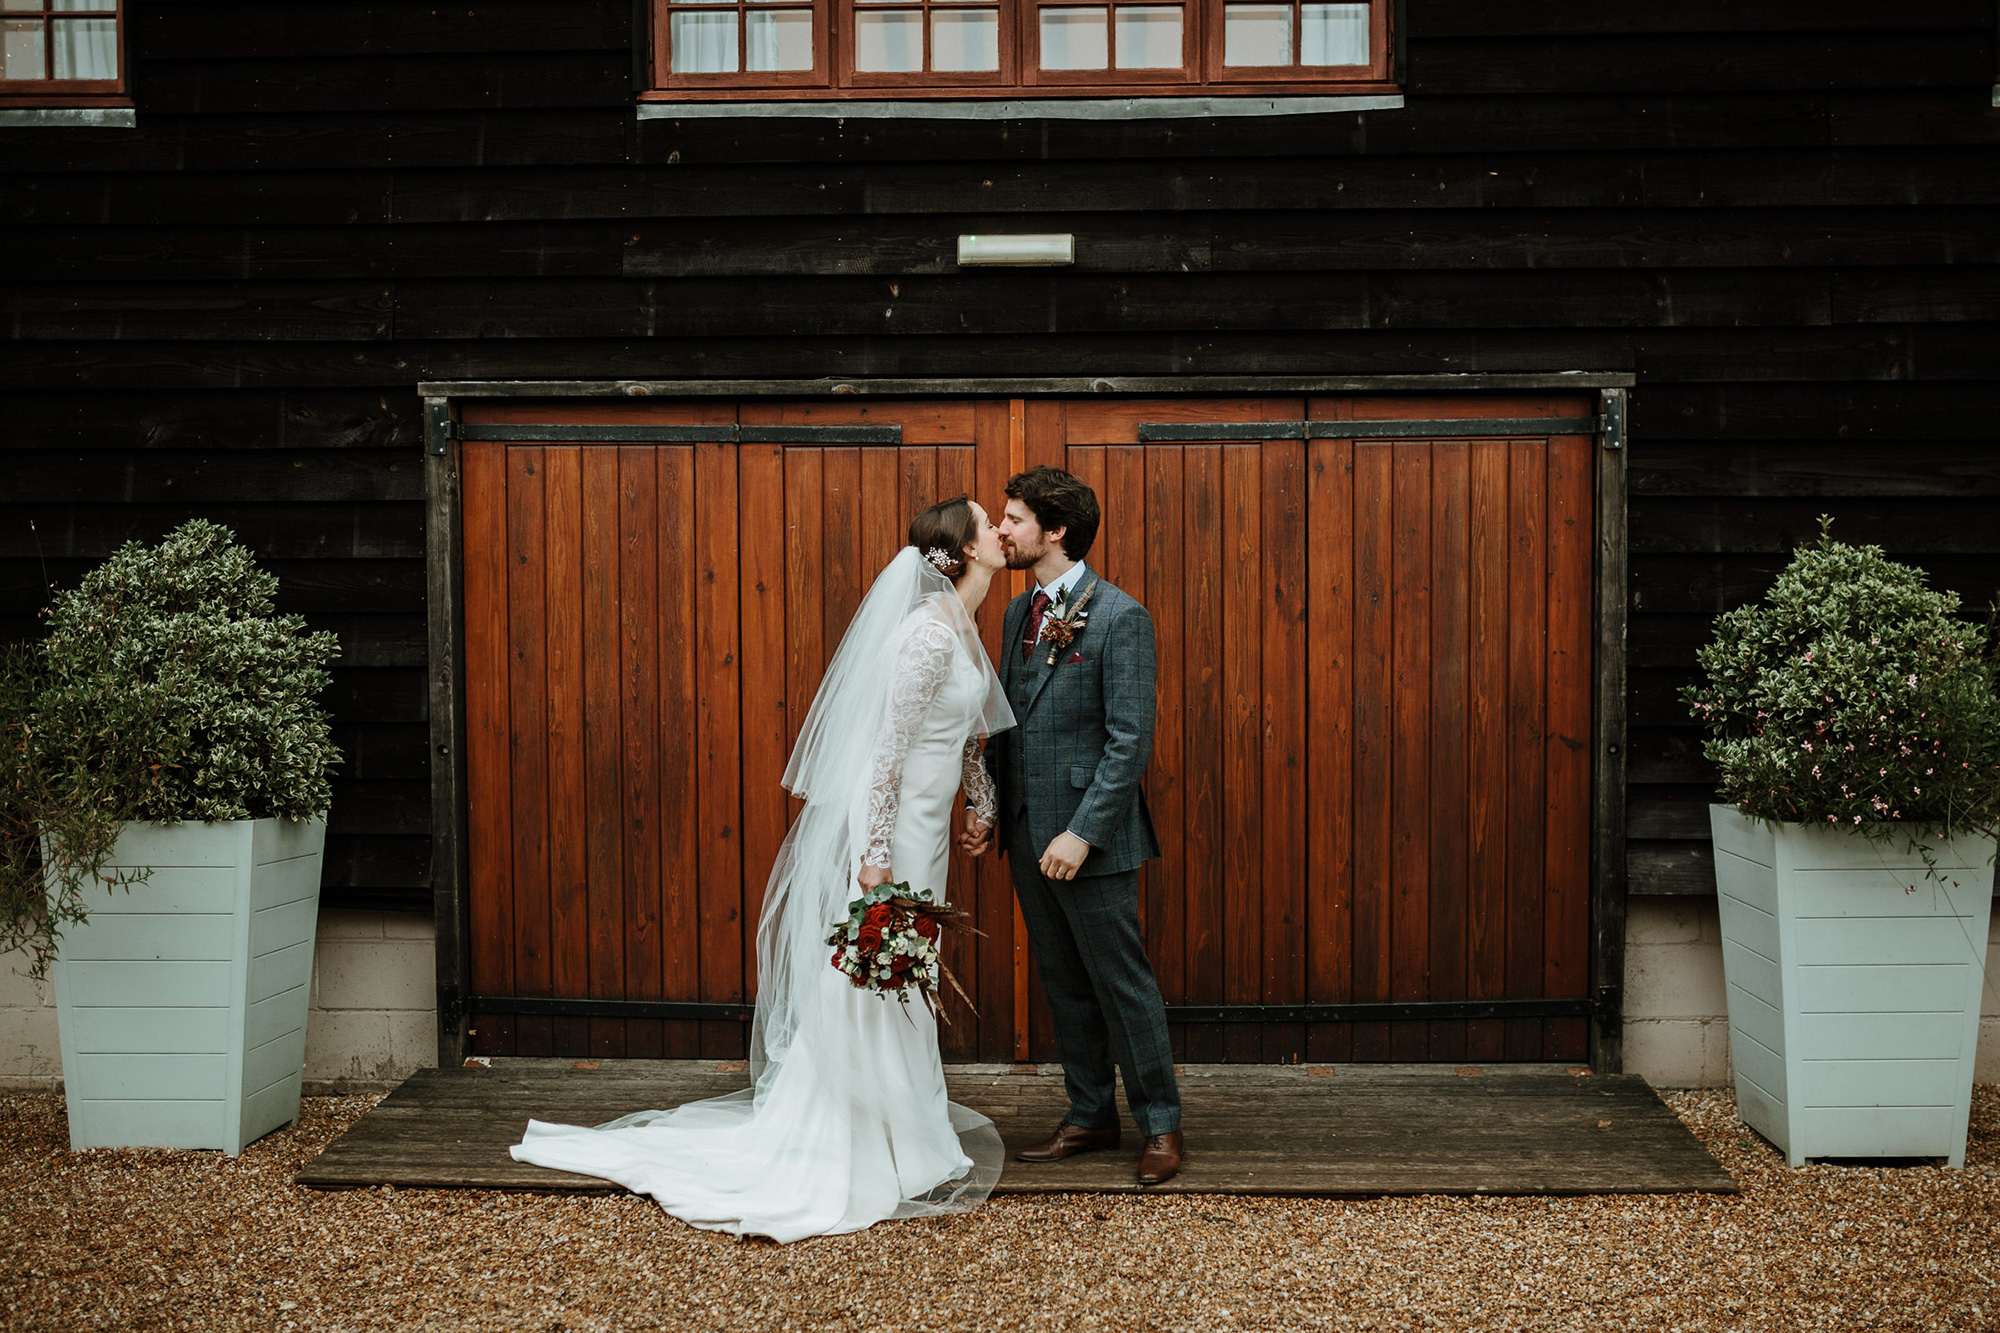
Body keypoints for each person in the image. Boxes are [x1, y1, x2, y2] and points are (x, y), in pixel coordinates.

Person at [510, 497, 1016, 1242]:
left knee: (910, 974)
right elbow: (883, 755)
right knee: (876, 975)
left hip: (930, 834)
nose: (1004, 532)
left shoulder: (965, 629)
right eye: (989, 523)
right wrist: (875, 860)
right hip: (896, 837)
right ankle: (873, 1139)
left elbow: (966, 736)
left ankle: (907, 1127)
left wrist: (982, 802)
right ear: (965, 550)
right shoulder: (926, 636)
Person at [974, 465, 1184, 1185]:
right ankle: (1090, 1111)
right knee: (1063, 981)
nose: (1001, 530)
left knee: (1121, 983)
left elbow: (1129, 740)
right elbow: (1008, 727)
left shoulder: (1121, 616)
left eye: (1013, 519)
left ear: (1055, 530)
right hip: (1029, 832)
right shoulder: (1013, 613)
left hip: (1088, 841)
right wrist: (991, 809)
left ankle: (1160, 1122)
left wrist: (1083, 832)